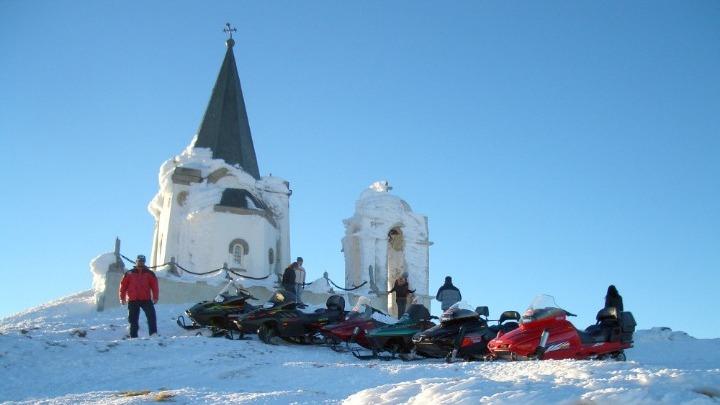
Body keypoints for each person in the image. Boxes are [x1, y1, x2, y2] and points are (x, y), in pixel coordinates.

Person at [119, 254, 159, 338]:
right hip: (133, 300)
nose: (141, 263)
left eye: (142, 261)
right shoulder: (129, 273)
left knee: (151, 316)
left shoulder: (149, 273)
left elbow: (154, 286)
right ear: (136, 261)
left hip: (146, 299)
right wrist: (122, 297)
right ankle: (133, 337)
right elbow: (123, 286)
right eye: (139, 261)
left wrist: (155, 297)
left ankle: (153, 334)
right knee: (133, 319)